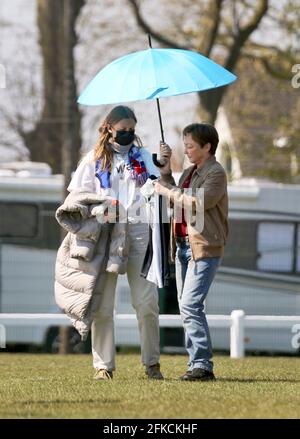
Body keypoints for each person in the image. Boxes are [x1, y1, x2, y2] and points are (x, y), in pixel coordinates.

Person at [67, 105, 164, 380]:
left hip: (139, 230)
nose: (128, 135)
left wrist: (163, 165)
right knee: (103, 304)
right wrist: (99, 208)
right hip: (105, 234)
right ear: (109, 129)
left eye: (132, 131)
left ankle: (152, 364)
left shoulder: (144, 156)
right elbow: (77, 196)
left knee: (146, 301)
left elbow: (161, 186)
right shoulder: (93, 159)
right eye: (123, 131)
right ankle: (103, 367)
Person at [154, 123, 228, 381]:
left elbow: (198, 201)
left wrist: (167, 190)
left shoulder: (216, 173)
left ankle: (202, 366)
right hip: (183, 246)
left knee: (190, 305)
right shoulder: (189, 172)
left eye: (190, 146)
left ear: (207, 147)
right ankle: (196, 364)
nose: (185, 150)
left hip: (204, 247)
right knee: (188, 307)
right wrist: (165, 174)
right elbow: (179, 192)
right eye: (185, 145)